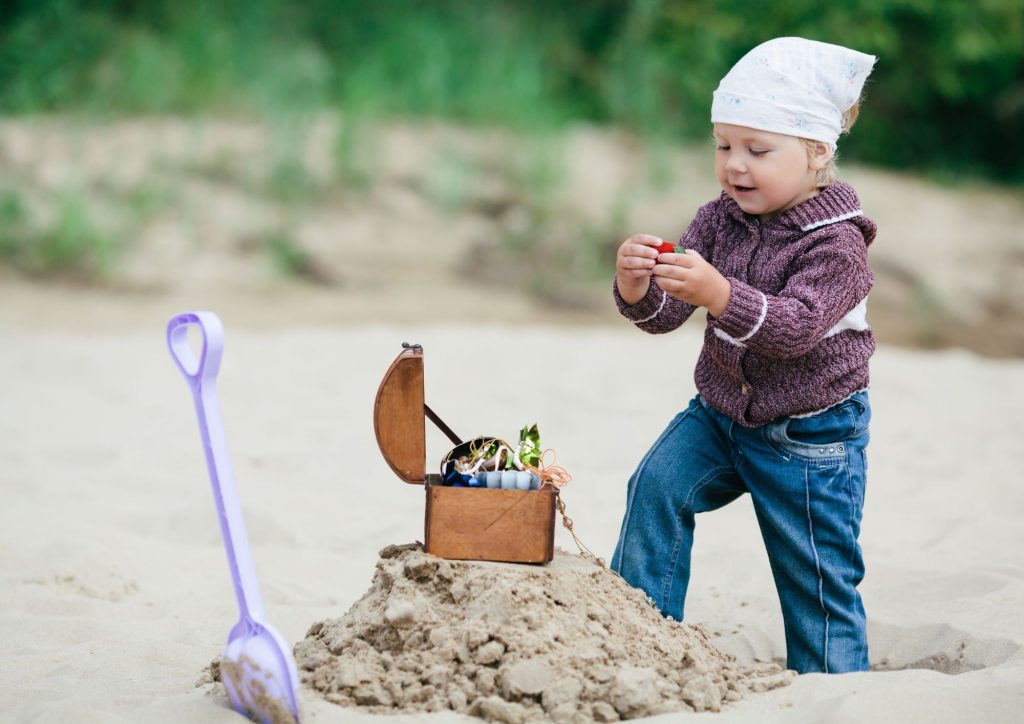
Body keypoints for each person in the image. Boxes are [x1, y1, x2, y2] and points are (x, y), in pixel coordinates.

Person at [609, 37, 878, 674]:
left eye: (758, 150)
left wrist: (721, 293)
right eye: (724, 146)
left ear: (817, 153)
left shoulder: (838, 245)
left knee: (816, 575)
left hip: (811, 434)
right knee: (656, 488)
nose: (735, 165)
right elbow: (666, 317)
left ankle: (837, 687)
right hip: (721, 413)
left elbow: (797, 328)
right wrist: (635, 285)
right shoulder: (717, 220)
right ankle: (638, 641)